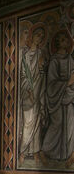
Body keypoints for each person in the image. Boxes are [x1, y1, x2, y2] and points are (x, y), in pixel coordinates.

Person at [42, 30, 74, 168]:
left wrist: (70, 86)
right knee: (57, 125)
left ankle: (68, 155)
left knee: (70, 125)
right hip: (56, 99)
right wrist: (67, 83)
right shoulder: (54, 61)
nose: (66, 42)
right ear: (58, 43)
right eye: (63, 40)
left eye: (67, 40)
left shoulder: (70, 59)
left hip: (68, 96)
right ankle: (46, 151)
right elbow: (51, 84)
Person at [19, 25, 48, 165]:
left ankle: (36, 152)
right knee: (27, 123)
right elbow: (23, 76)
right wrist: (28, 91)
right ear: (32, 36)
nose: (39, 38)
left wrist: (42, 69)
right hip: (27, 94)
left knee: (36, 124)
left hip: (38, 91)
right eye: (37, 35)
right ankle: (23, 151)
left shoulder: (41, 54)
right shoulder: (25, 56)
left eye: (42, 36)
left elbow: (43, 75)